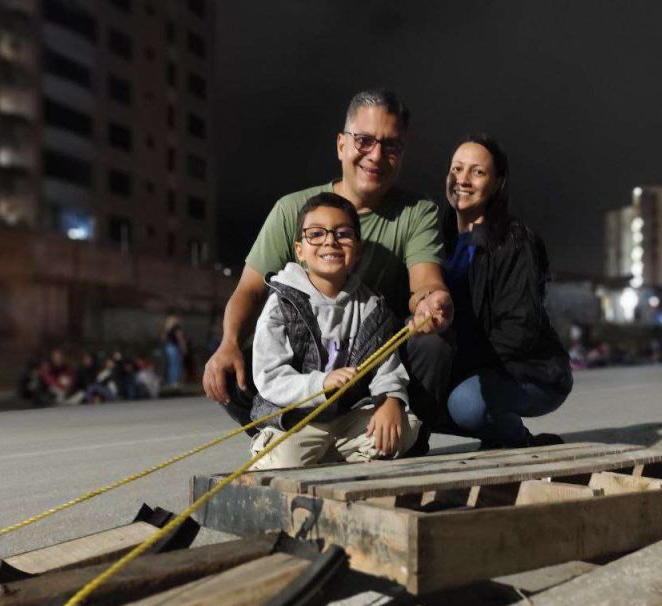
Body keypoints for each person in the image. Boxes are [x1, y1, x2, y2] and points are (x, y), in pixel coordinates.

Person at [203, 89, 454, 453]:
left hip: (369, 359)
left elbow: (425, 283)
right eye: (364, 141)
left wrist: (432, 301)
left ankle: (399, 438)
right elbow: (249, 290)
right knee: (232, 367)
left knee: (434, 344)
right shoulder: (292, 210)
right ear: (341, 145)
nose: (376, 155)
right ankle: (289, 434)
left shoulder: (417, 213)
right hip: (307, 361)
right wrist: (226, 345)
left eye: (391, 146)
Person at [249, 192, 419, 469]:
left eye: (342, 234)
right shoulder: (282, 303)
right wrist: (321, 383)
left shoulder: (371, 305)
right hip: (298, 419)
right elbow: (270, 376)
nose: (330, 241)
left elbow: (386, 366)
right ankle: (273, 447)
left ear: (358, 249)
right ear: (300, 249)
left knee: (404, 427)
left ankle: (330, 453)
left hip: (346, 418)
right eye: (316, 234)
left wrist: (391, 400)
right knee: (282, 461)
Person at [439, 135, 572, 448]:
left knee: (466, 404)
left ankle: (515, 437)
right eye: (457, 169)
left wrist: (453, 368)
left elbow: (518, 328)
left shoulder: (515, 241)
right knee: (422, 398)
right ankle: (497, 428)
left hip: (529, 373)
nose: (463, 180)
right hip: (469, 368)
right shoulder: (437, 240)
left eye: (478, 172)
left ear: (497, 183)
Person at [160, 313, 188, 388]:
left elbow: (163, 338)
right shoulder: (177, 327)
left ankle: (171, 382)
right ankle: (175, 382)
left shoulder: (167, 328)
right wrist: (184, 349)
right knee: (176, 365)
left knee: (170, 365)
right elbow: (180, 339)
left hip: (168, 347)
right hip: (175, 347)